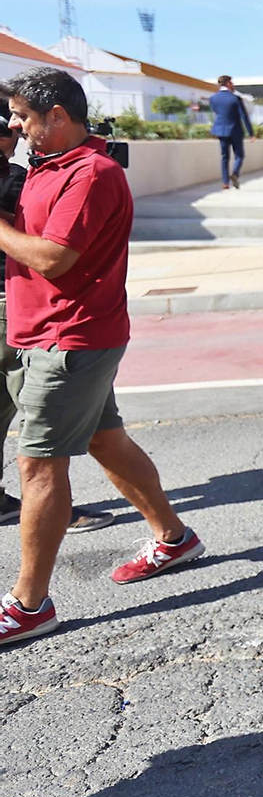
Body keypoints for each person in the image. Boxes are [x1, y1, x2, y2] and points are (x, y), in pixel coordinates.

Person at [0, 68, 202, 648]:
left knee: (38, 467)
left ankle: (29, 604)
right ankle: (174, 538)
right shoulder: (47, 166)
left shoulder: (92, 174)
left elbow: (54, 258)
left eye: (23, 116)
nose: (15, 125)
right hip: (50, 335)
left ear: (58, 115)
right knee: (105, 440)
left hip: (69, 341)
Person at [0, 95, 111, 533]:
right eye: (11, 125)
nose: (16, 130)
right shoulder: (15, 182)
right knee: (42, 431)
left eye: (19, 120)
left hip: (15, 303)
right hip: (18, 309)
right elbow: (52, 253)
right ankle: (47, 513)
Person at [210, 75, 254, 190]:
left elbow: (216, 111)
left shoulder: (213, 98)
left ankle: (225, 182)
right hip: (235, 130)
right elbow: (244, 116)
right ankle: (235, 173)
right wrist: (251, 133)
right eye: (232, 83)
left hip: (220, 130)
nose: (233, 85)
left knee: (224, 157)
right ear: (228, 83)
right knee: (239, 155)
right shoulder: (235, 98)